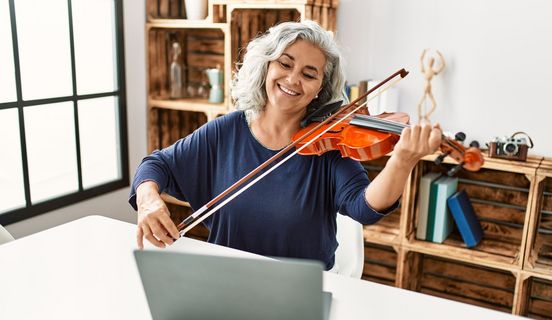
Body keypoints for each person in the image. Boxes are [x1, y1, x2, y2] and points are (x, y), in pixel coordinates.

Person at [129, 20, 442, 270]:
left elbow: (365, 207)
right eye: (285, 64)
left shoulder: (329, 145)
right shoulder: (225, 131)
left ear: (320, 89)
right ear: (266, 66)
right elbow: (156, 165)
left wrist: (401, 160)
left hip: (300, 293)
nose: (293, 79)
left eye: (309, 74)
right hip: (227, 281)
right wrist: (149, 201)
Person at [417, 48, 446, 122]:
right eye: (430, 61)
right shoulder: (426, 70)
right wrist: (424, 51)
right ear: (428, 62)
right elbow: (420, 60)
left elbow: (443, 65)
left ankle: (426, 115)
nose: (431, 62)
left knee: (434, 105)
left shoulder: (433, 71)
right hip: (426, 85)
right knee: (421, 102)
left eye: (432, 61)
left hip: (429, 86)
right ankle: (420, 117)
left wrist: (441, 56)